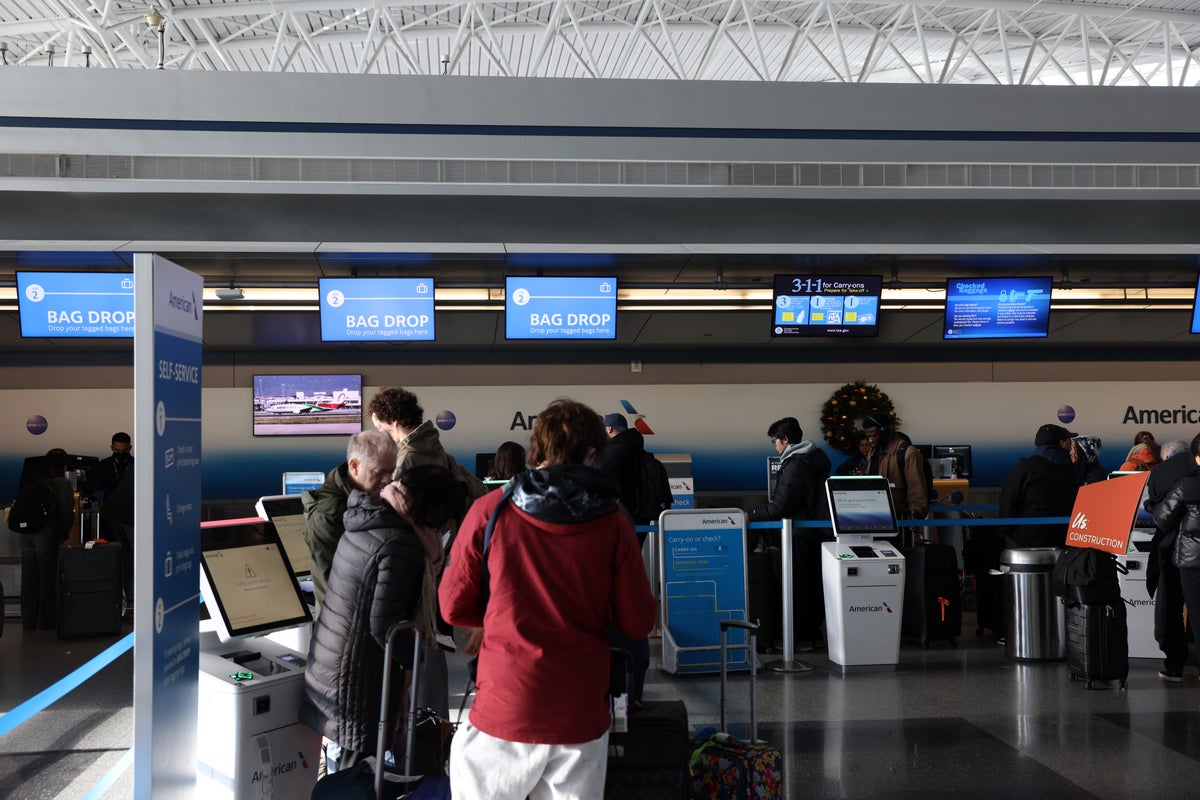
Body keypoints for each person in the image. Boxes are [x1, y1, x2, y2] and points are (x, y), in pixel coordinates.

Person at [439, 399, 656, 800]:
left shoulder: (490, 510)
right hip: (579, 713)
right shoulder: (614, 522)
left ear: (535, 448)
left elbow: (451, 605)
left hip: (505, 705)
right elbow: (638, 622)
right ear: (592, 454)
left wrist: (489, 617)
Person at [301, 464, 465, 773]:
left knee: (347, 773)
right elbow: (386, 628)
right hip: (356, 682)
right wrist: (407, 669)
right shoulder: (401, 544)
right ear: (433, 513)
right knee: (356, 781)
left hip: (337, 669)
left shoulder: (374, 520)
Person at [747, 417, 832, 653]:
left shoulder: (796, 465)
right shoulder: (812, 460)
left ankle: (798, 639)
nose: (774, 446)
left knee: (797, 589)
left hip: (798, 535)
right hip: (812, 534)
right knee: (810, 588)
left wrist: (751, 515)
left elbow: (781, 506)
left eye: (775, 441)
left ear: (786, 440)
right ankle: (810, 636)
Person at [302, 430, 398, 613]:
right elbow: (339, 589)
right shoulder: (327, 516)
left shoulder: (373, 497)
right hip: (342, 627)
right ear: (354, 466)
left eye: (391, 471)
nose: (388, 480)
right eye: (379, 472)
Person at [367, 386, 487, 502]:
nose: (380, 432)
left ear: (394, 422)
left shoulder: (405, 460)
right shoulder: (436, 448)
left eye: (380, 427)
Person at [1144, 439, 1197, 682]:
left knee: (1170, 607)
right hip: (1189, 552)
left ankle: (1174, 665)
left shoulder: (1163, 473)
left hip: (1172, 549)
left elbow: (1161, 515)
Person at [997, 423, 1080, 549]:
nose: (1071, 445)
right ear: (1062, 443)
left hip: (1027, 541)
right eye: (1069, 441)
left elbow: (1008, 500)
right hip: (1065, 541)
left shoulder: (1025, 467)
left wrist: (1005, 531)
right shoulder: (1075, 469)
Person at [18, 449, 75, 630]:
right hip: (46, 535)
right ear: (64, 466)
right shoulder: (61, 483)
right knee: (47, 579)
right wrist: (63, 535)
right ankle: (46, 622)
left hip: (25, 535)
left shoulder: (32, 479)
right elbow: (67, 514)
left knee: (29, 578)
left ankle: (28, 620)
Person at [861, 413, 929, 520]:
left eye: (874, 436)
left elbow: (917, 490)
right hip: (876, 515)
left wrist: (915, 516)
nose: (870, 440)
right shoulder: (873, 452)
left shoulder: (908, 452)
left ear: (886, 431)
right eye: (868, 436)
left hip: (900, 518)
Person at [96, 432, 135, 603]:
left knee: (134, 555)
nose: (120, 454)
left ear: (130, 448)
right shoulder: (103, 466)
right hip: (111, 517)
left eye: (124, 451)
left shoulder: (137, 464)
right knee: (115, 555)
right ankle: (116, 594)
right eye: (117, 450)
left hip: (134, 516)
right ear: (112, 448)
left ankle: (131, 593)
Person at [599, 412, 648, 525]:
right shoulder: (636, 446)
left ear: (609, 429)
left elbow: (604, 481)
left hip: (621, 510)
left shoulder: (614, 452)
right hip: (641, 507)